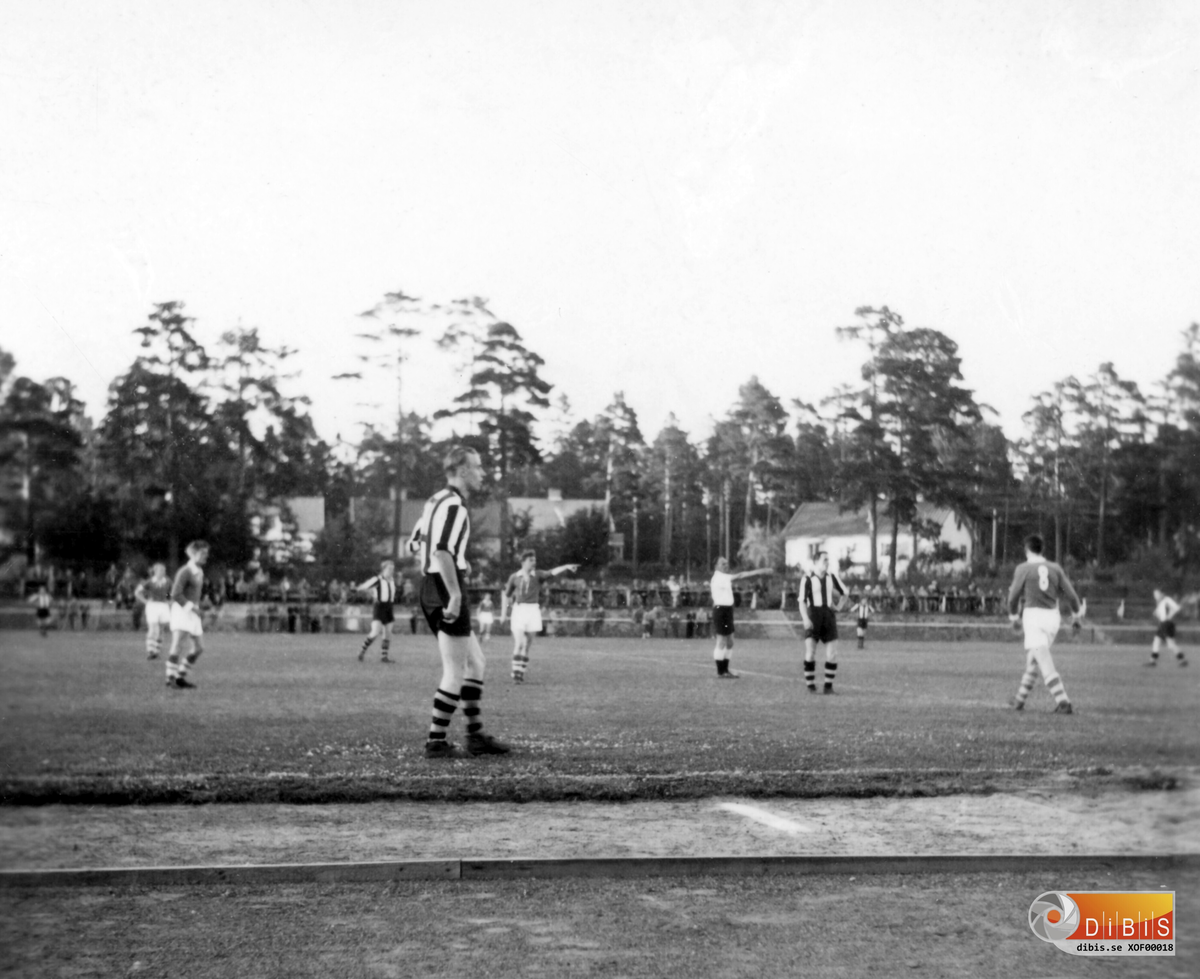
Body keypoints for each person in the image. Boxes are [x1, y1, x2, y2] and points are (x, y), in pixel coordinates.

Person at [412, 446, 509, 759]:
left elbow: (414, 542)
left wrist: (440, 574)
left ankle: (474, 734)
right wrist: (453, 592)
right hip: (443, 586)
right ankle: (436, 742)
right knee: (455, 669)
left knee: (476, 662)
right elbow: (442, 551)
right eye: (478, 467)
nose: (482, 473)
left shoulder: (434, 501)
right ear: (462, 470)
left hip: (432, 584)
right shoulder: (454, 505)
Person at [1007, 534, 1084, 714]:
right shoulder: (1055, 568)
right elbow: (1072, 596)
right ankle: (1019, 699)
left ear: (1026, 549)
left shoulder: (1023, 568)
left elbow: (1013, 598)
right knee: (1034, 660)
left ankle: (1063, 700)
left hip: (1033, 617)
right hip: (1052, 618)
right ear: (1043, 550)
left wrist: (1013, 617)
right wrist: (1076, 617)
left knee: (1042, 659)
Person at [501, 551, 579, 683]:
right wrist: (504, 613)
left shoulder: (537, 575)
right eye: (531, 560)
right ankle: (516, 673)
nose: (534, 562)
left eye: (534, 560)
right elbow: (506, 595)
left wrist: (566, 566)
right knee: (519, 643)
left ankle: (521, 673)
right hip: (519, 610)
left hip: (533, 610)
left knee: (527, 645)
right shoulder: (515, 577)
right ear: (523, 562)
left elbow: (552, 572)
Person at [709, 556, 773, 678]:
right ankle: (720, 671)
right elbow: (740, 576)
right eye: (723, 564)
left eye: (727, 563)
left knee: (730, 642)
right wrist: (760, 571)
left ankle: (726, 670)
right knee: (721, 641)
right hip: (720, 610)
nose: (726, 566)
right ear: (716, 566)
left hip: (727, 610)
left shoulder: (724, 577)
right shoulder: (719, 576)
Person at [800, 552, 849, 693]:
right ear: (816, 561)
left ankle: (828, 687)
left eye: (828, 560)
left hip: (828, 617)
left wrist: (838, 607)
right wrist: (805, 619)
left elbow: (845, 592)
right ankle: (811, 686)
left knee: (832, 654)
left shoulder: (832, 577)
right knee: (810, 653)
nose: (828, 562)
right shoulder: (807, 578)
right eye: (825, 560)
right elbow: (802, 601)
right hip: (813, 617)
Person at [166, 541, 210, 689]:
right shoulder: (185, 570)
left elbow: (192, 594)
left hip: (193, 612)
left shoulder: (199, 571)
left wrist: (201, 605)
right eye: (203, 553)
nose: (206, 556)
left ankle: (180, 676)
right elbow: (175, 594)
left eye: (206, 553)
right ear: (193, 554)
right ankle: (170, 678)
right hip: (182, 611)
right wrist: (193, 608)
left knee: (199, 648)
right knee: (177, 645)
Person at [354, 560, 398, 663]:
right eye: (389, 569)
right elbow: (365, 586)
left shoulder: (392, 580)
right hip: (379, 607)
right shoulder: (377, 579)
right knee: (375, 631)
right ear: (383, 569)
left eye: (392, 569)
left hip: (389, 607)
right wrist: (357, 589)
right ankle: (362, 651)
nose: (391, 571)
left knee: (387, 634)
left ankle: (384, 657)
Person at [134, 563, 173, 660]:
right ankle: (150, 651)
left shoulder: (167, 581)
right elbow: (137, 592)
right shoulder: (149, 581)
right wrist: (145, 601)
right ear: (155, 571)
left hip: (163, 606)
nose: (163, 572)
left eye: (164, 570)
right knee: (153, 628)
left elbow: (174, 593)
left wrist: (170, 601)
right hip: (153, 606)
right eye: (161, 570)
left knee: (161, 629)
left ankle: (157, 651)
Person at [1148, 588, 1189, 667]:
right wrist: (1157, 613)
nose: (1155, 596)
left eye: (1157, 594)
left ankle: (1182, 660)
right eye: (1154, 594)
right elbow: (1158, 614)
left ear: (1161, 593)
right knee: (1157, 641)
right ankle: (1152, 661)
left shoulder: (1166, 599)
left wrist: (1169, 616)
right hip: (1163, 624)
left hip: (1167, 624)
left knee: (1170, 644)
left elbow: (1177, 608)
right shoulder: (1160, 603)